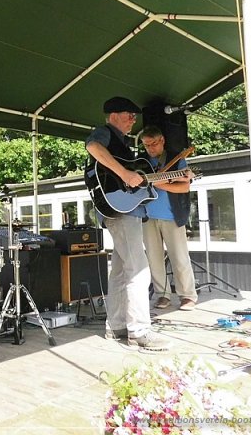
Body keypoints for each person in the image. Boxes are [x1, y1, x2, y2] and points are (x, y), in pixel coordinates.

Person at [85, 96, 169, 350]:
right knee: (139, 270)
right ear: (113, 116)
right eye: (128, 115)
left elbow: (135, 179)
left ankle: (117, 325)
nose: (133, 120)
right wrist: (124, 173)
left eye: (134, 116)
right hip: (121, 213)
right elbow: (93, 147)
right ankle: (139, 331)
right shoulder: (105, 132)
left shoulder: (123, 143)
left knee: (121, 272)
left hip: (125, 211)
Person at [139, 125, 198, 311]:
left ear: (162, 140)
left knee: (179, 257)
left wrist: (159, 184)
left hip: (171, 215)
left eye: (153, 144)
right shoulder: (140, 162)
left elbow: (185, 186)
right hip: (147, 216)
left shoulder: (176, 159)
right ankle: (162, 295)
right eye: (146, 145)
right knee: (154, 259)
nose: (150, 148)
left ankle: (187, 296)